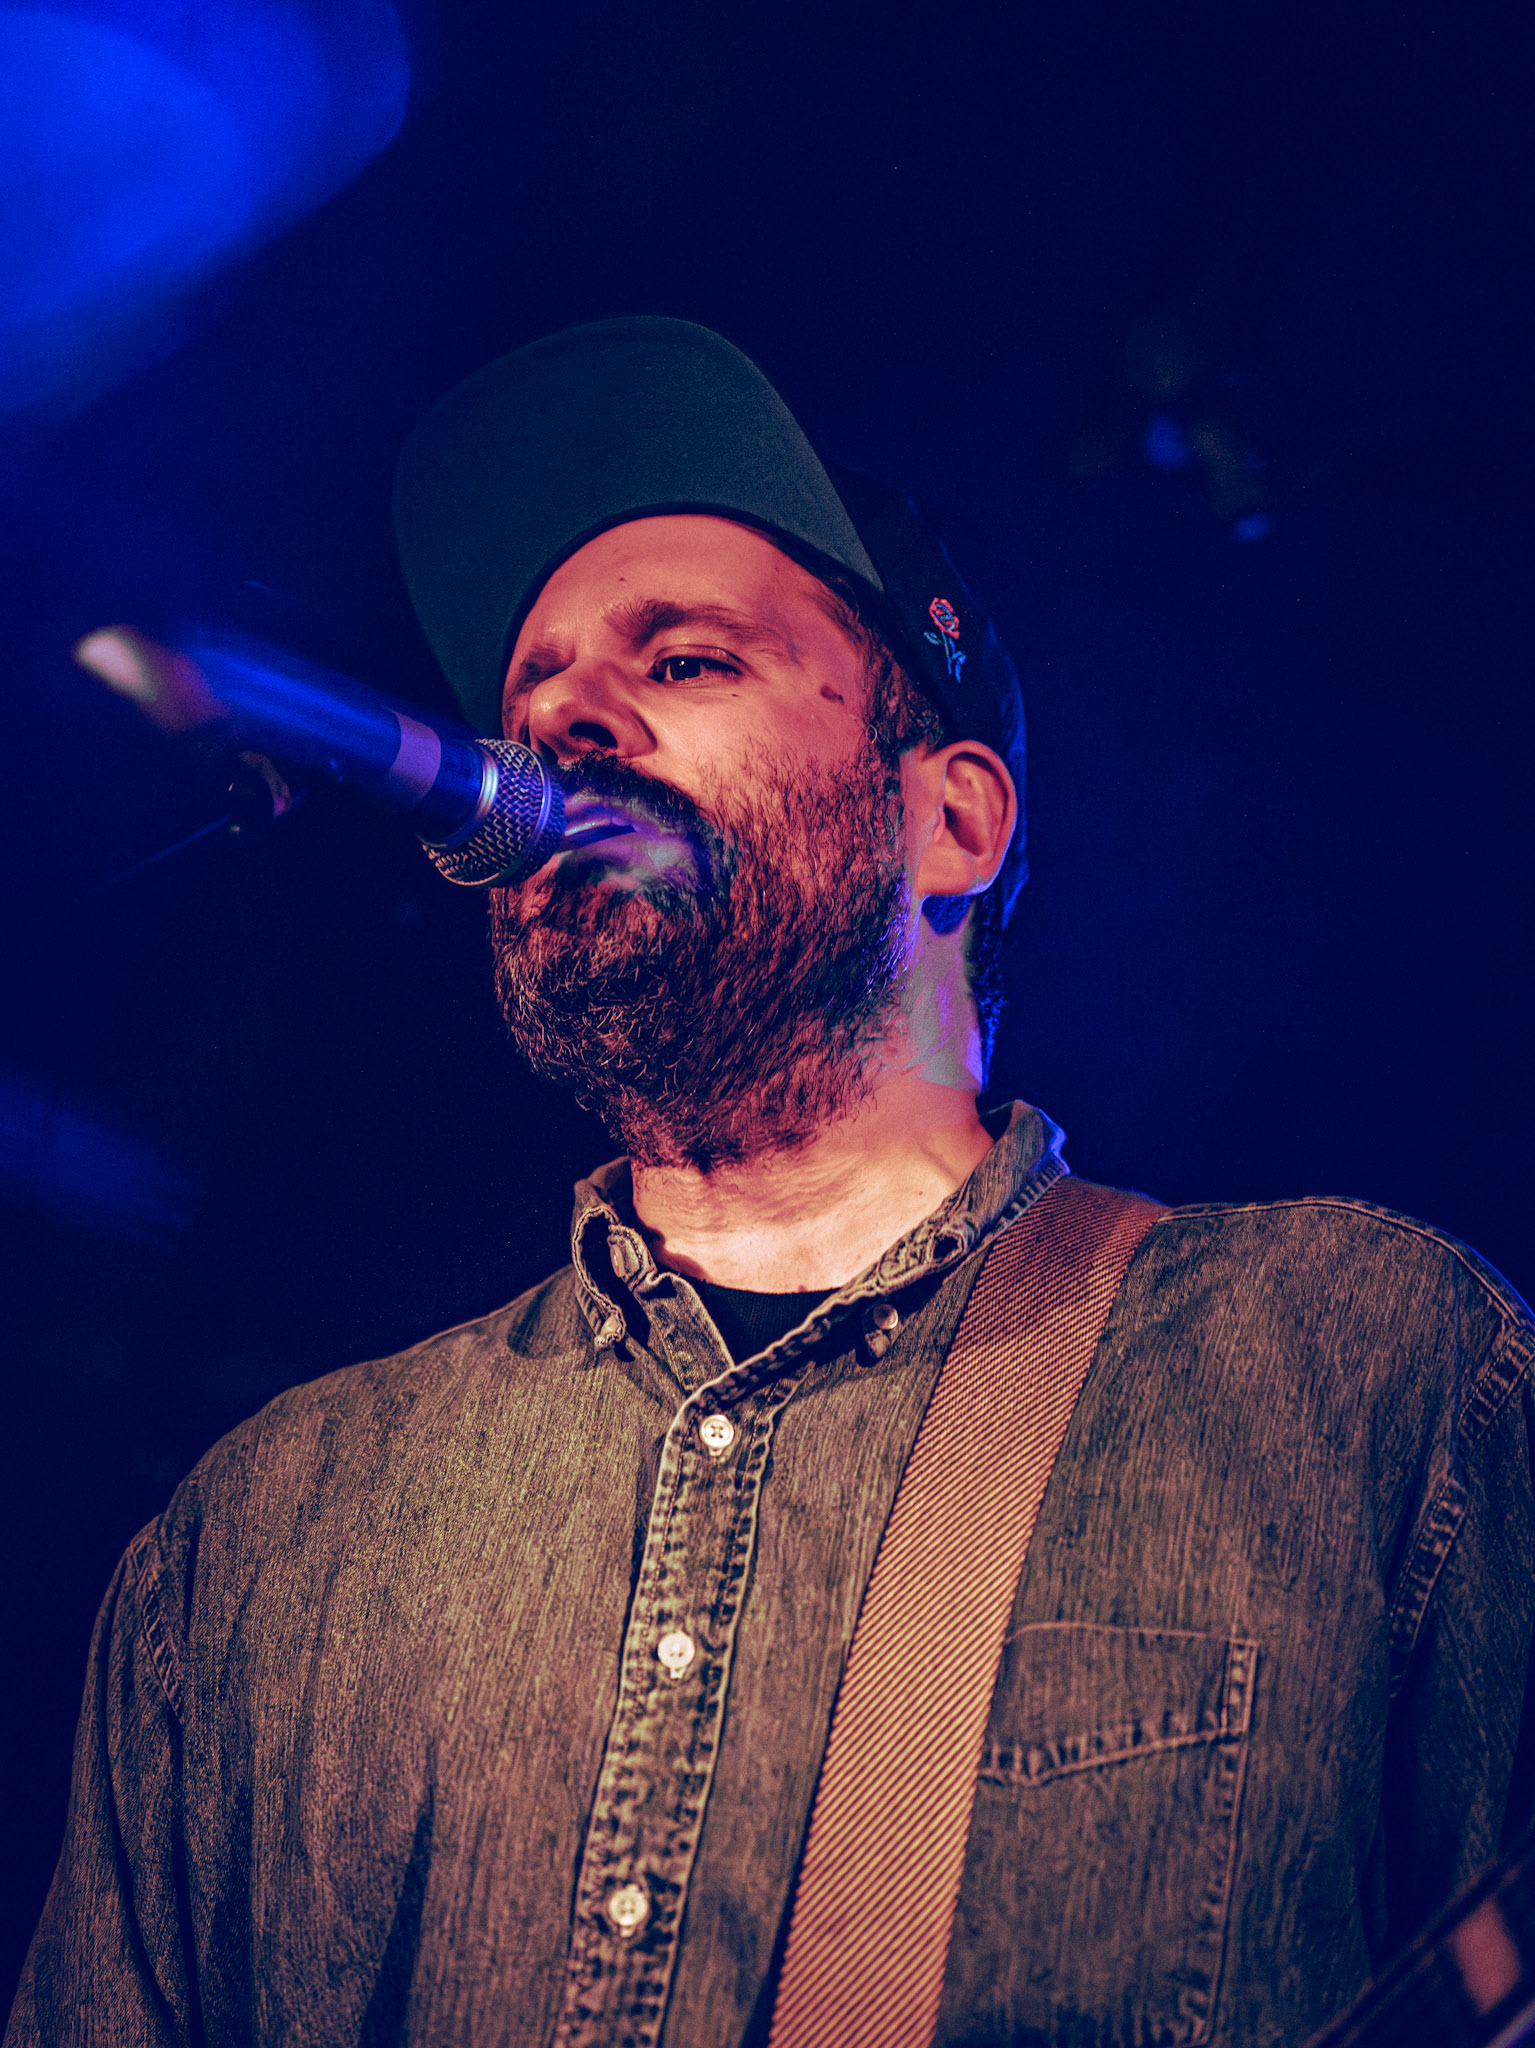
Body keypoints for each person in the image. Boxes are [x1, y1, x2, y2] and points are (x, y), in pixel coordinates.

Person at [8, 318, 1534, 2048]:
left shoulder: (1352, 1367)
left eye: (685, 661)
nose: (561, 718)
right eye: (532, 696)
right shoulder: (264, 1536)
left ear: (953, 823)